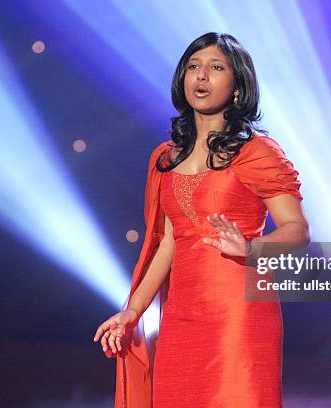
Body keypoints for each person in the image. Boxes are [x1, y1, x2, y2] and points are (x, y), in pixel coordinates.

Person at [93, 32, 309, 407]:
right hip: (180, 318)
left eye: (215, 68)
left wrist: (252, 247)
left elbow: (298, 230)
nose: (201, 77)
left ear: (238, 86)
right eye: (193, 67)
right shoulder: (165, 158)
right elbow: (170, 243)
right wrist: (133, 311)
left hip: (238, 314)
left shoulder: (256, 152)